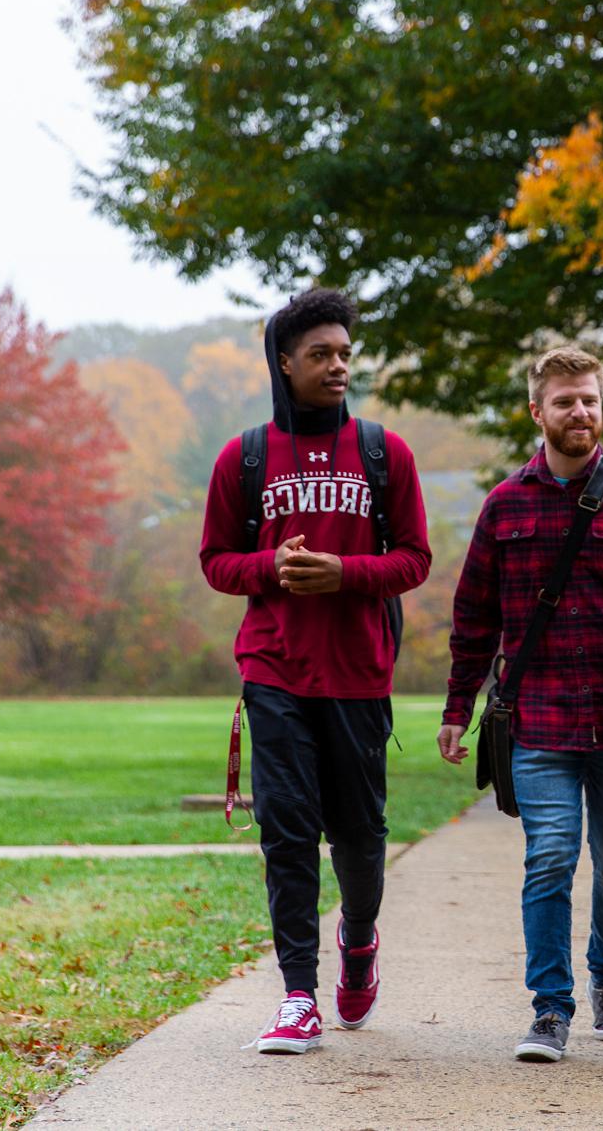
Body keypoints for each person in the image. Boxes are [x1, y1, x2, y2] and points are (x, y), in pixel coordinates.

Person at [198, 287, 432, 1055]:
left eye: (345, 353)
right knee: (287, 829)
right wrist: (271, 565)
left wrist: (346, 574)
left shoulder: (382, 451)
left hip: (359, 673)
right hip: (274, 669)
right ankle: (298, 993)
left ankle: (358, 938)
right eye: (322, 354)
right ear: (285, 361)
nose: (338, 365)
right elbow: (216, 561)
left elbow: (415, 560)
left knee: (360, 838)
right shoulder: (246, 456)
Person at [438, 345, 603, 1062]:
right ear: (536, 411)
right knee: (549, 856)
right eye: (564, 401)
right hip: (538, 718)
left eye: (589, 399)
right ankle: (550, 1007)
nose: (580, 412)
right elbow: (474, 617)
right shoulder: (504, 505)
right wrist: (458, 706)